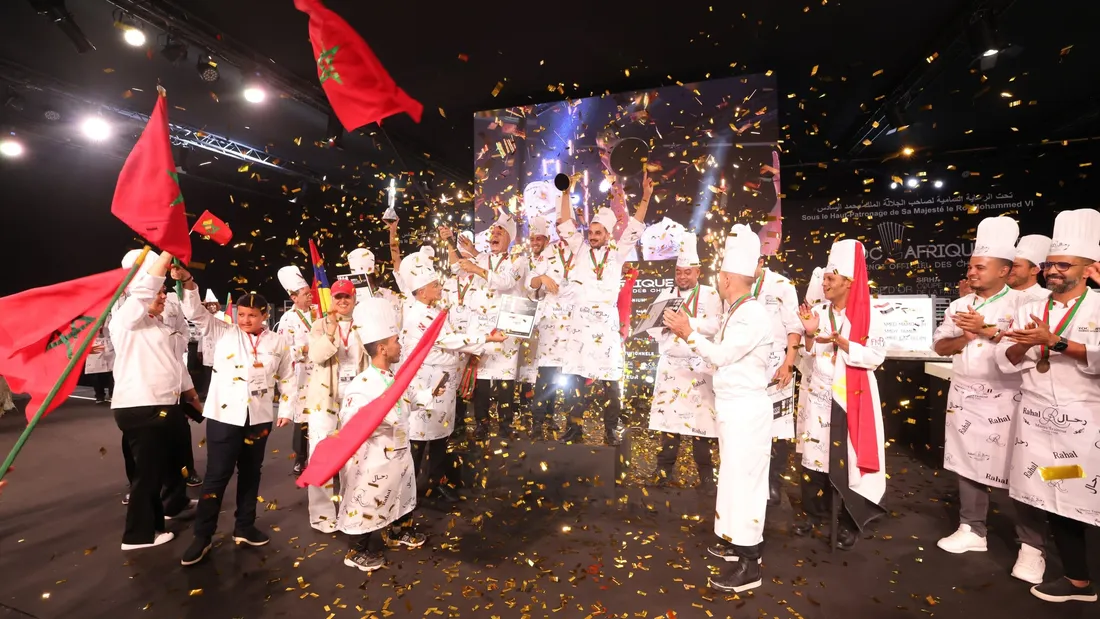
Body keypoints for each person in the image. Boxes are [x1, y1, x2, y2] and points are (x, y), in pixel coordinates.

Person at [931, 217, 1048, 584]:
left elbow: (1028, 349)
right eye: (970, 266)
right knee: (966, 461)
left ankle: (1031, 547)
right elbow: (939, 345)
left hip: (1010, 398)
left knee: (1021, 471)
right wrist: (966, 338)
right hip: (965, 394)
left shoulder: (1026, 303)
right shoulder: (959, 304)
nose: (972, 271)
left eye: (979, 267)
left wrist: (987, 331)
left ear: (1004, 270)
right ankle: (973, 530)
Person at [997, 208, 1100, 603]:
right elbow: (1005, 360)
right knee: (1060, 499)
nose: (1053, 271)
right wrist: (1027, 341)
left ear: (1088, 268)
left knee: (1083, 497)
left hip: (1085, 421)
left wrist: (1055, 341)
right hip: (1040, 422)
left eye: (1063, 264)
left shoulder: (1096, 307)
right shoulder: (1029, 310)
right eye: (1050, 264)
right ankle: (1078, 582)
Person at [663, 225, 773, 592]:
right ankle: (733, 542)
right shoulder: (737, 310)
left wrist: (687, 333)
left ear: (726, 278)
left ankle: (750, 563)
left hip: (745, 409)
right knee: (732, 480)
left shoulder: (751, 313)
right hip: (732, 407)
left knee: (745, 483)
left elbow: (723, 354)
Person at [174, 265, 298, 566]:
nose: (245, 320)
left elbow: (288, 376)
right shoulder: (222, 330)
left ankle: (244, 527)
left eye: (252, 315)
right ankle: (202, 537)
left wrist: (289, 408)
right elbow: (194, 311)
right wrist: (188, 281)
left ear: (264, 316)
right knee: (216, 478)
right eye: (241, 314)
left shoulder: (277, 342)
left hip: (258, 418)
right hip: (224, 418)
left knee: (252, 474)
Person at [795, 238, 888, 550]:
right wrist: (809, 334)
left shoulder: (870, 313)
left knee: (846, 460)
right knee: (812, 460)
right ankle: (811, 514)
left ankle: (849, 522)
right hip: (817, 398)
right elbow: (804, 357)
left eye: (831, 278)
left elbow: (877, 356)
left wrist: (846, 344)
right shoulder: (818, 311)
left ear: (849, 282)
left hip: (851, 400)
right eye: (824, 277)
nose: (825, 283)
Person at [109, 251, 200, 551]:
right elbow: (143, 291)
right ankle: (138, 535)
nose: (163, 296)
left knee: (170, 463)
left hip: (164, 404)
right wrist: (165, 251)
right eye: (158, 292)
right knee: (147, 474)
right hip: (141, 406)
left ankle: (170, 507)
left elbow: (174, 363)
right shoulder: (125, 319)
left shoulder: (157, 325)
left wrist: (190, 395)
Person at [398, 250, 505, 502]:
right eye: (435, 285)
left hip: (443, 383)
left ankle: (435, 484)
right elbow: (448, 340)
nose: (439, 288)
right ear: (422, 291)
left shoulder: (433, 310)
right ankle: (408, 491)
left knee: (439, 438)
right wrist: (486, 338)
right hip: (425, 383)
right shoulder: (417, 314)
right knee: (418, 440)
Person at [557, 174, 650, 445]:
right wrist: (566, 193)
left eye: (599, 233)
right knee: (575, 379)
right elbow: (565, 223)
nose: (593, 236)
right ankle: (574, 430)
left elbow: (636, 225)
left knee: (611, 382)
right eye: (591, 232)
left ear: (608, 234)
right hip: (581, 324)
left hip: (607, 324)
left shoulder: (618, 253)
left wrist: (645, 197)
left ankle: (611, 430)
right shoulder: (581, 250)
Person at [337, 297, 426, 572]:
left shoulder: (394, 376)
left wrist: (427, 396)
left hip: (399, 452)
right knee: (367, 499)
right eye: (396, 341)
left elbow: (409, 398)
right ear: (382, 348)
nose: (400, 346)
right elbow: (351, 425)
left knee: (401, 492)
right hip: (373, 458)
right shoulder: (362, 385)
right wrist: (381, 421)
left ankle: (398, 531)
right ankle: (357, 550)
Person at [646, 232, 721, 489]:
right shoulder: (665, 294)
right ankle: (663, 471)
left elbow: (716, 325)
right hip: (671, 367)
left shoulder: (711, 295)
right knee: (669, 423)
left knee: (701, 425)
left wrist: (688, 324)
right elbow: (650, 327)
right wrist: (665, 327)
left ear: (698, 272)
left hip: (699, 367)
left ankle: (706, 476)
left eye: (687, 272)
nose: (682, 277)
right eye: (679, 272)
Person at [441, 212, 526, 441]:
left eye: (499, 231)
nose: (494, 235)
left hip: (506, 328)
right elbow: (457, 267)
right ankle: (482, 424)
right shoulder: (483, 258)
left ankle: (506, 426)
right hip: (481, 327)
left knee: (505, 379)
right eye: (492, 232)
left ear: (510, 237)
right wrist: (450, 242)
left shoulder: (518, 260)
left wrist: (476, 268)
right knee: (483, 380)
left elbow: (505, 282)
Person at [304, 278, 369, 533]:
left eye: (347, 297)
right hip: (324, 399)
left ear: (354, 299)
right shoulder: (319, 325)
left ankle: (350, 509)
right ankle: (321, 515)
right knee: (321, 453)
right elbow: (317, 356)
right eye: (338, 297)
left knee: (355, 455)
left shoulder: (363, 326)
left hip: (356, 398)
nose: (343, 301)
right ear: (331, 300)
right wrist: (331, 328)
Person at [750, 244, 803, 506]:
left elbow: (795, 328)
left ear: (761, 261)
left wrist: (789, 364)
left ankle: (774, 483)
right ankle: (751, 480)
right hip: (748, 366)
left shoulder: (782, 284)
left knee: (778, 428)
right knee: (750, 427)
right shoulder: (738, 283)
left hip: (777, 364)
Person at [521, 216, 573, 439]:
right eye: (532, 238)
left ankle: (571, 427)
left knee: (570, 380)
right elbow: (529, 283)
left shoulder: (581, 254)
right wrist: (541, 277)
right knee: (544, 377)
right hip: (550, 324)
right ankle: (537, 422)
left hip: (573, 325)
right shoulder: (547, 256)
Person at [276, 266, 315, 477]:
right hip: (301, 374)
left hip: (321, 372)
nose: (310, 296)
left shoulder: (320, 312)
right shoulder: (288, 320)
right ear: (293, 297)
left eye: (310, 293)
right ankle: (300, 458)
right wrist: (305, 349)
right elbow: (283, 350)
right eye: (305, 294)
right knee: (302, 418)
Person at [1010, 235, 1051, 301]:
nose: (1009, 269)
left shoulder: (1046, 298)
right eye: (1009, 265)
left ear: (1035, 270)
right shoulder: (998, 296)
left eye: (1016, 266)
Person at [85, 322, 114, 405]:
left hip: (109, 344)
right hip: (94, 344)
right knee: (95, 373)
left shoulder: (111, 314)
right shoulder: (90, 317)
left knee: (112, 372)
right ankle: (99, 395)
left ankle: (113, 394)